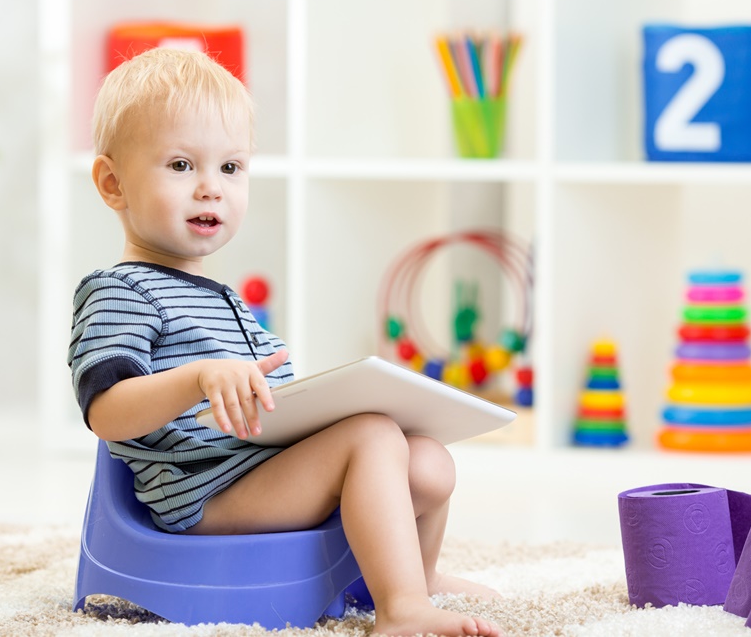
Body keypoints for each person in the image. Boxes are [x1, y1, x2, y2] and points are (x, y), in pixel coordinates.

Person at [68, 47, 504, 637]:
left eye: (230, 168)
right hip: (206, 497)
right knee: (372, 436)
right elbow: (107, 414)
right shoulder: (119, 289)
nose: (209, 189)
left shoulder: (223, 298)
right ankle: (401, 609)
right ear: (113, 183)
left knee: (427, 460)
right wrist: (198, 379)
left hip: (257, 467)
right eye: (180, 166)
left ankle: (418, 576)